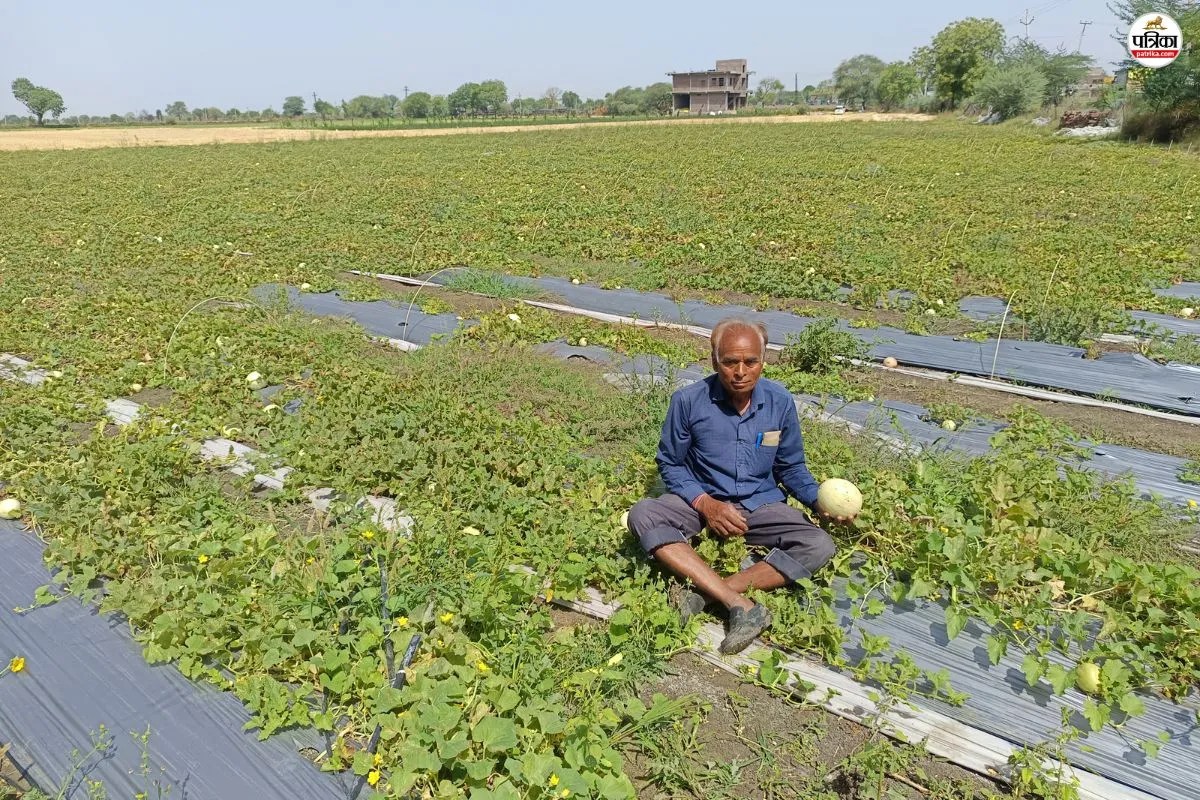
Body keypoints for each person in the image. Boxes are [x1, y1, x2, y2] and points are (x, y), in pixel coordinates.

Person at [626, 317, 848, 655]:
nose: (740, 371)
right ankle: (739, 604)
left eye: (750, 361)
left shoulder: (779, 401)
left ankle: (704, 593)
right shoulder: (688, 401)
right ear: (715, 361)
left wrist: (818, 501)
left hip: (760, 506)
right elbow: (670, 463)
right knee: (643, 514)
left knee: (818, 544)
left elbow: (791, 466)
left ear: (764, 360)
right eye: (730, 362)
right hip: (700, 504)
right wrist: (706, 504)